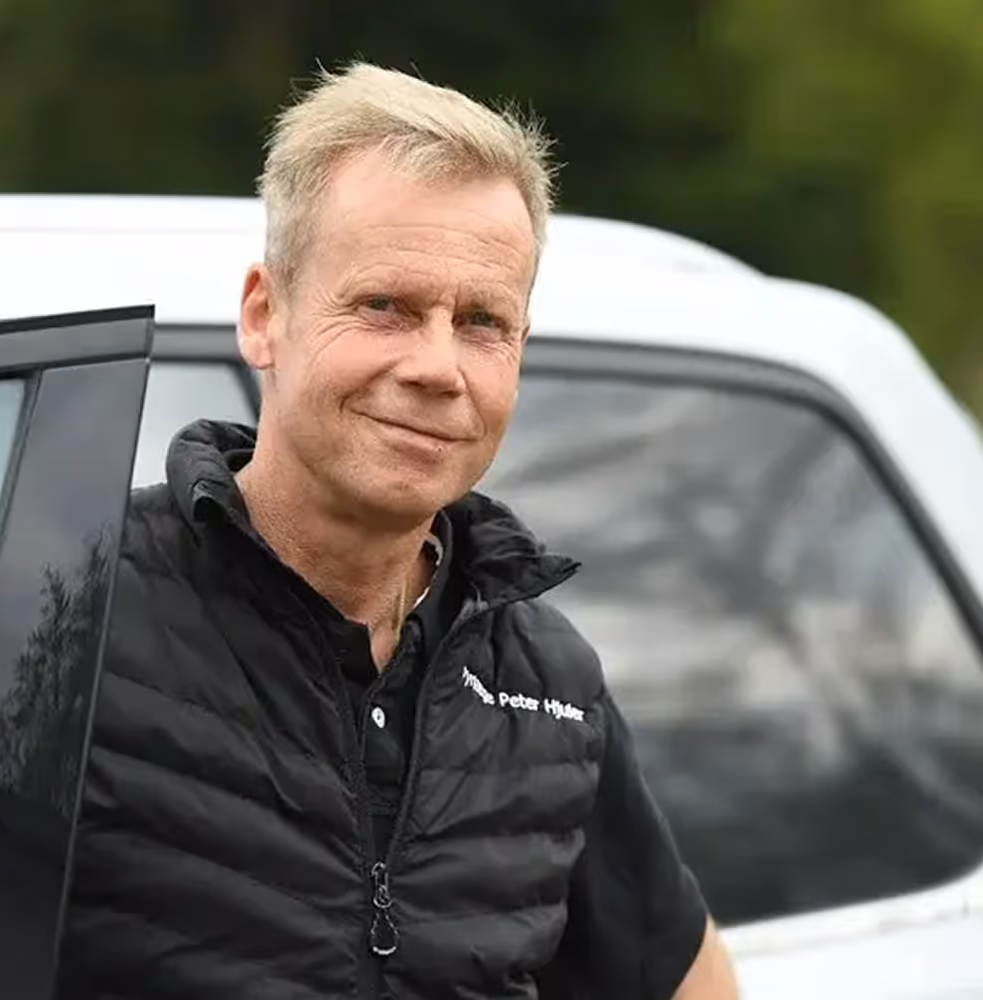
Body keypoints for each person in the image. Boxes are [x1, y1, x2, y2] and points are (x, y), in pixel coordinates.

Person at [60, 63, 738, 999]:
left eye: (481, 322)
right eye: (385, 307)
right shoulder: (60, 607)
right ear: (266, 315)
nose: (436, 366)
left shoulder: (546, 682)